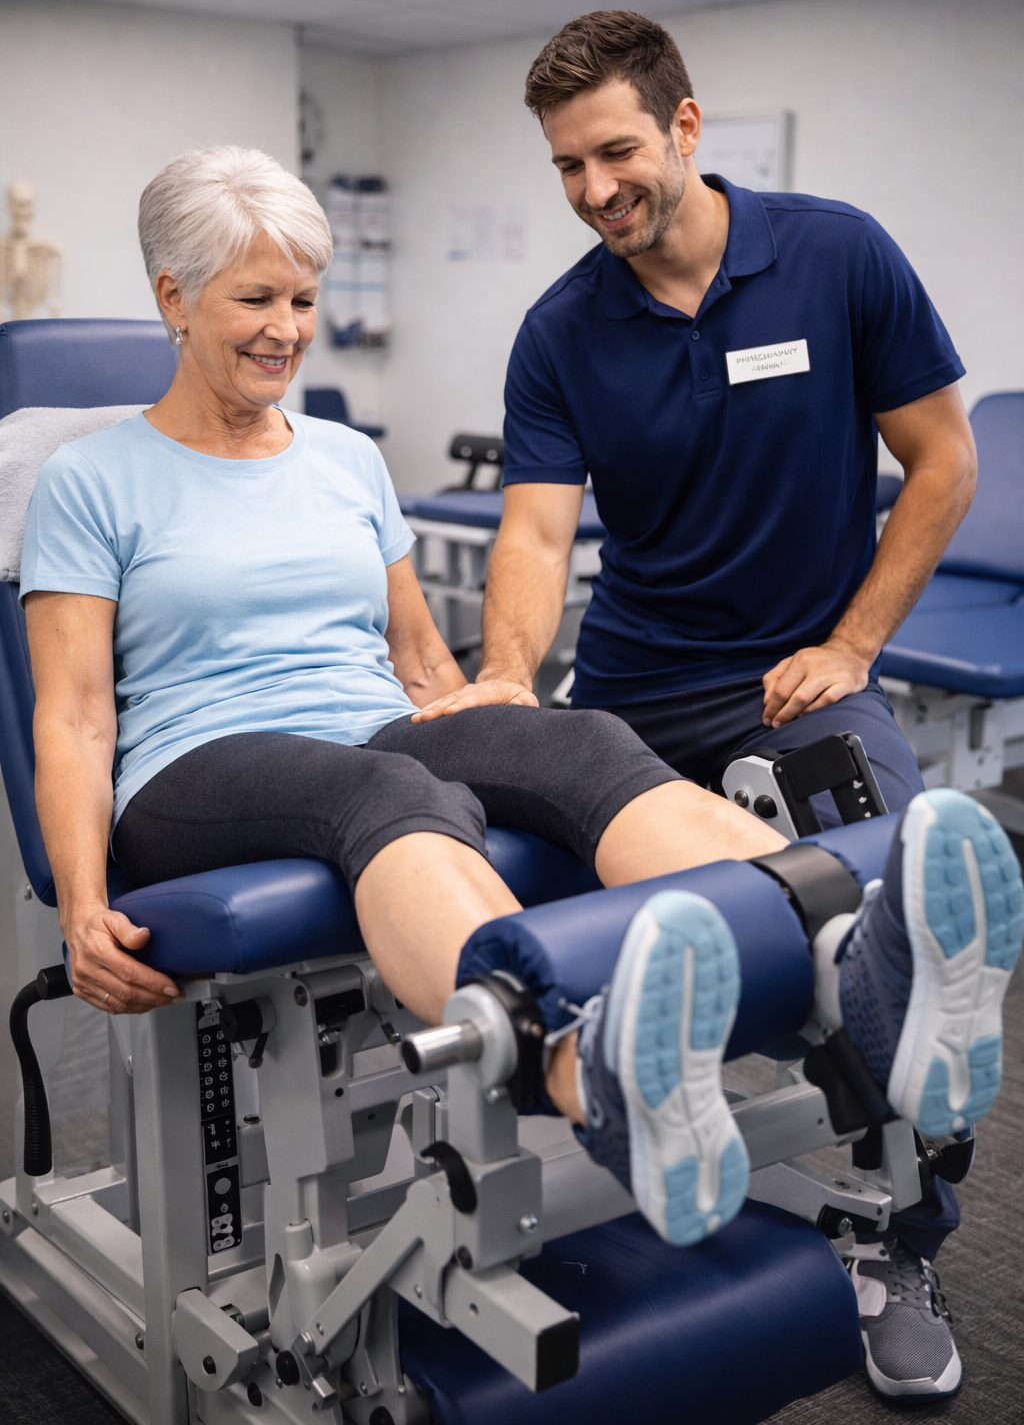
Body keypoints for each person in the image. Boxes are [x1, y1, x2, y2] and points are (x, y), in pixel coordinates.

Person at [20, 150, 1020, 1393]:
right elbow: (71, 713)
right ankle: (579, 1065)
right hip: (194, 769)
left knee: (580, 738)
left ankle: (847, 970)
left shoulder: (342, 461)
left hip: (367, 729)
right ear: (174, 299)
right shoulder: (89, 480)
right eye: (253, 301)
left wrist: (496, 719)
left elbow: (413, 656)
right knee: (391, 795)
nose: (286, 329)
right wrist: (76, 900)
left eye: (300, 299)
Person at [410, 12, 989, 1398]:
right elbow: (540, 537)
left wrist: (856, 640)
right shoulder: (561, 330)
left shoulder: (836, 253)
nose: (595, 189)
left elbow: (945, 458)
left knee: (909, 913)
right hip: (629, 700)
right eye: (565, 167)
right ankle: (617, 1139)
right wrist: (507, 675)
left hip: (802, 686)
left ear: (684, 125)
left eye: (615, 152)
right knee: (498, 899)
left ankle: (905, 1236)